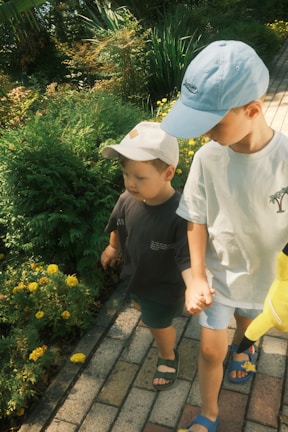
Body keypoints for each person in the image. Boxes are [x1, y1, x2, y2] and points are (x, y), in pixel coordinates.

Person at [161, 40, 288, 432]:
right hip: (217, 275)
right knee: (210, 349)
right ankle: (210, 414)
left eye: (212, 124)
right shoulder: (208, 158)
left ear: (252, 110)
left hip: (267, 279)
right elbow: (195, 218)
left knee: (249, 326)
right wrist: (197, 274)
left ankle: (244, 351)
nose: (203, 135)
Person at [100, 121, 191, 391]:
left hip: (165, 285)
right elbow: (116, 224)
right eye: (126, 174)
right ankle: (154, 318)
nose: (130, 183)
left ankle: (167, 355)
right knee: (143, 307)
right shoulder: (126, 199)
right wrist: (113, 247)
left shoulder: (183, 214)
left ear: (168, 173)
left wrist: (194, 285)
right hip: (136, 275)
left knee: (158, 322)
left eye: (140, 177)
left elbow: (189, 255)